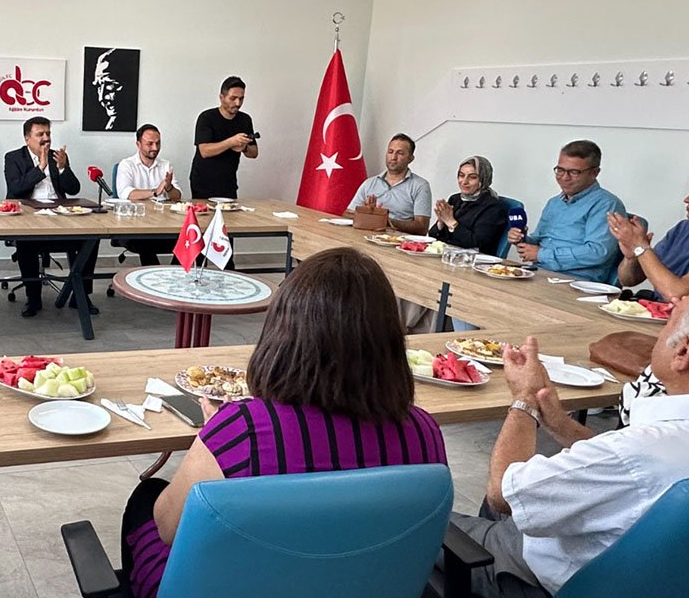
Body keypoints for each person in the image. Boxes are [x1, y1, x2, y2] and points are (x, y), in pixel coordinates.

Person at [118, 247, 448, 598]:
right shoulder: (424, 432)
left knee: (147, 499)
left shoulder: (243, 430)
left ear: (283, 332)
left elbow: (168, 528)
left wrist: (218, 436)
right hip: (363, 586)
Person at [450, 283, 689, 597]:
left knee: (411, 520)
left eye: (669, 322)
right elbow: (624, 472)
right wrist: (559, 423)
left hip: (534, 576)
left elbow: (503, 493)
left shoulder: (640, 451)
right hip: (638, 577)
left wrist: (524, 399)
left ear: (684, 351)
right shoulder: (683, 441)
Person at [3, 117, 99, 317]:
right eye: (40, 134)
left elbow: (73, 189)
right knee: (25, 242)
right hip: (28, 217)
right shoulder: (13, 158)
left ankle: (80, 296)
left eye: (48, 133)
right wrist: (40, 168)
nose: (46, 138)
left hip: (59, 215)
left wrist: (63, 168)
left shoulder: (58, 156)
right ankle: (33, 298)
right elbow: (15, 189)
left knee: (91, 237)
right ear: (27, 138)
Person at [506, 140, 626, 282]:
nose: (564, 177)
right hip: (539, 273)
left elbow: (597, 252)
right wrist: (522, 239)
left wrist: (541, 255)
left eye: (574, 172)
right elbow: (540, 241)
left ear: (594, 173)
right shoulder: (554, 202)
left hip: (576, 281)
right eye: (560, 170)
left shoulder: (606, 204)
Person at [611, 167, 689, 300]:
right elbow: (629, 280)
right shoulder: (684, 228)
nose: (687, 199)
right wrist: (632, 257)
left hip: (685, 313)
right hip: (654, 308)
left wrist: (640, 247)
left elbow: (675, 294)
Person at [115, 124, 182, 265]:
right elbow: (125, 193)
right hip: (135, 225)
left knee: (192, 238)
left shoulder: (166, 165)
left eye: (158, 143)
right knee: (145, 242)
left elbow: (177, 196)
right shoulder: (126, 164)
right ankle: (156, 275)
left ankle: (173, 273)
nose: (155, 148)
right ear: (138, 144)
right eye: (150, 144)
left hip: (163, 223)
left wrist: (169, 187)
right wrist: (155, 192)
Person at [346, 134, 432, 236]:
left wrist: (385, 221)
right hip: (365, 236)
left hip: (399, 241)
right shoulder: (370, 183)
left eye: (400, 153)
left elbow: (422, 228)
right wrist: (365, 213)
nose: (393, 157)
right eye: (390, 152)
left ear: (410, 158)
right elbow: (347, 214)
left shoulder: (420, 186)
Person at [189, 76, 257, 200]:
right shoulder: (206, 118)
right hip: (203, 183)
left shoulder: (245, 120)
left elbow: (254, 153)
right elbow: (204, 151)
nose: (238, 103)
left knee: (231, 212)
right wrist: (231, 142)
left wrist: (244, 147)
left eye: (241, 98)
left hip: (229, 183)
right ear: (221, 98)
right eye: (233, 98)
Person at [428, 155, 507, 255]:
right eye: (461, 175)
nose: (464, 182)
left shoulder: (493, 207)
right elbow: (433, 237)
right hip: (448, 255)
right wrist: (441, 222)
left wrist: (451, 222)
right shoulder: (455, 199)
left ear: (484, 179)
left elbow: (477, 242)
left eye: (472, 177)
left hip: (473, 260)